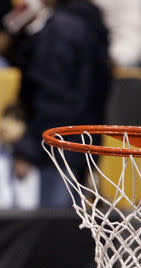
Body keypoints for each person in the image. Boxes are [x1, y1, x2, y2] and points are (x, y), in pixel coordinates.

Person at [12, 0, 112, 207]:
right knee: (71, 226)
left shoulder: (61, 29)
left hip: (57, 150)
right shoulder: (92, 23)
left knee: (52, 229)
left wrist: (28, 149)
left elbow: (52, 96)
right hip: (83, 145)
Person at [0, 103, 40, 209]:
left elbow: (27, 199)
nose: (5, 124)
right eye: (4, 117)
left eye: (13, 120)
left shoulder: (26, 154)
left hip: (13, 217)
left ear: (23, 126)